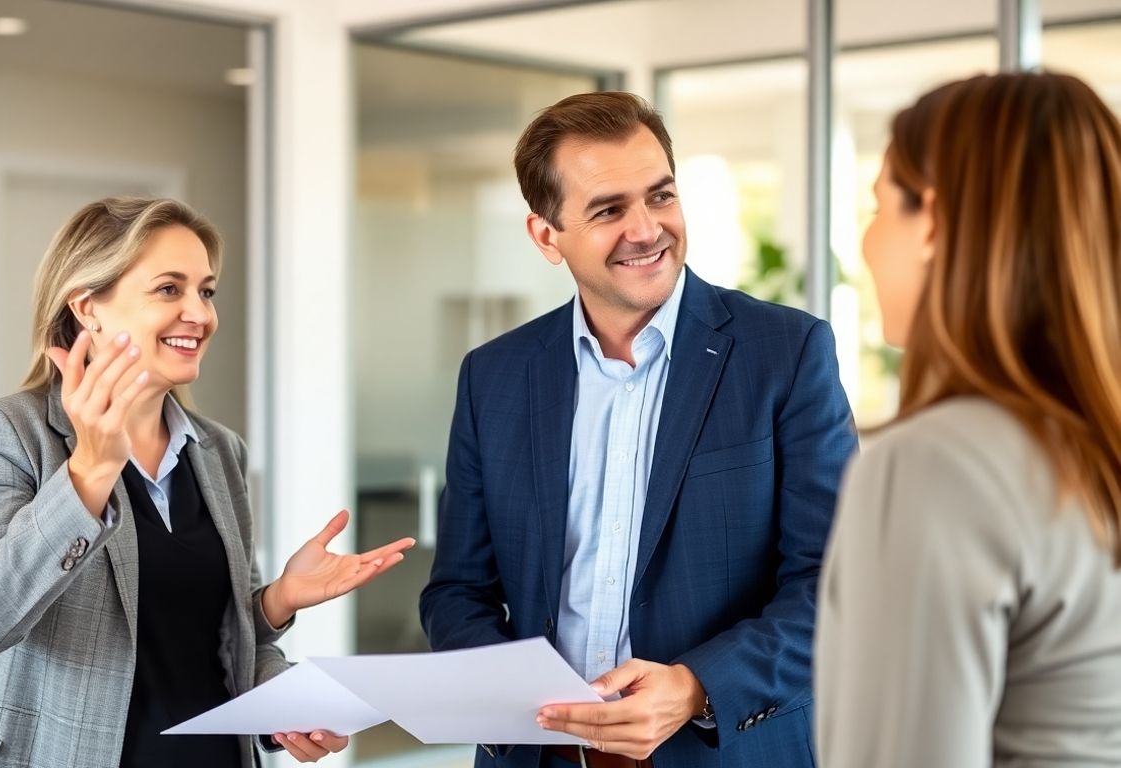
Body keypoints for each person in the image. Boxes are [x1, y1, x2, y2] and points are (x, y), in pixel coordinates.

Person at [419, 91, 857, 768]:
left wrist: (695, 687)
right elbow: (458, 591)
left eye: (660, 196)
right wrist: (518, 706)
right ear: (546, 236)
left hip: (725, 750)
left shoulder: (786, 354)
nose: (647, 228)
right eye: (608, 209)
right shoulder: (495, 377)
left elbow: (835, 584)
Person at [0, 197, 415, 768]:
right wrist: (88, 474)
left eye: (206, 291)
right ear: (89, 307)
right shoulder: (6, 434)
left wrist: (280, 632)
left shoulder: (218, 452)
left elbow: (221, 641)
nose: (201, 313)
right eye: (170, 289)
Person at [815, 71, 1121, 767]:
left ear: (937, 220)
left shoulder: (935, 465)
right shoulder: (1091, 445)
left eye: (878, 209)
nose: (865, 245)